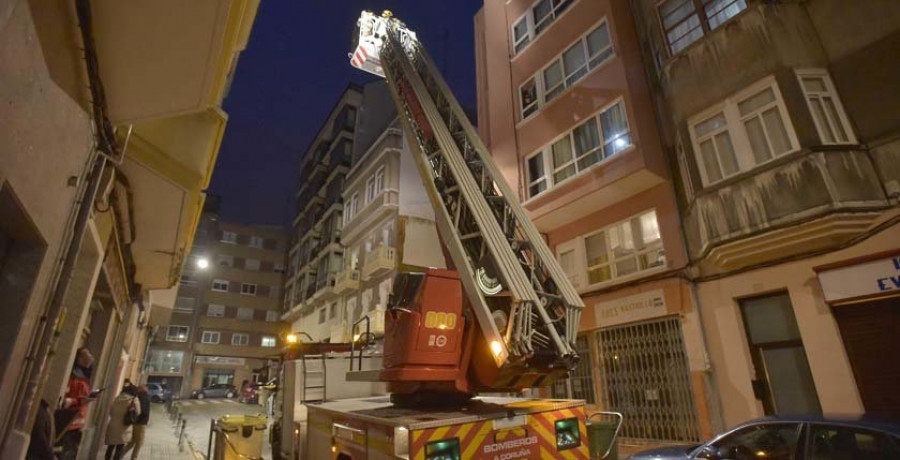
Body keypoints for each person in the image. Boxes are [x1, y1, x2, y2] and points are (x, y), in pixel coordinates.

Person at [56, 347, 95, 460]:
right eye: (86, 354)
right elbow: (68, 396)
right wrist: (76, 401)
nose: (90, 357)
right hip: (68, 422)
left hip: (78, 423)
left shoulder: (84, 375)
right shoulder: (73, 375)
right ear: (79, 358)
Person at [105, 385, 140, 460]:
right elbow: (138, 412)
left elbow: (111, 412)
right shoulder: (134, 399)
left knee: (110, 447)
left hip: (113, 425)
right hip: (124, 426)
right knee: (119, 448)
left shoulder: (117, 398)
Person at [122, 385, 150, 460]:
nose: (147, 389)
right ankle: (134, 457)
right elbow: (143, 410)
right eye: (146, 388)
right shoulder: (144, 396)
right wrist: (145, 418)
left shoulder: (138, 396)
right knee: (139, 442)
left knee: (133, 441)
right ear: (143, 389)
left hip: (136, 421)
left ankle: (120, 454)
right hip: (141, 422)